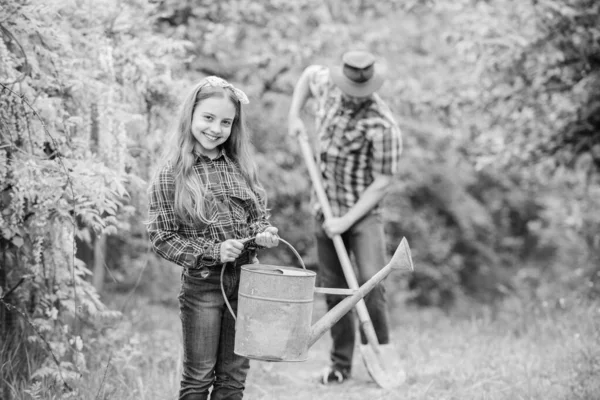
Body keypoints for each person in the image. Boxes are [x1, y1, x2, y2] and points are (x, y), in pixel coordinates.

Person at [147, 76, 279, 400]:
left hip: (246, 284)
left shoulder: (239, 166)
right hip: (203, 285)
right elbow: (162, 236)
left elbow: (256, 217)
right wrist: (212, 251)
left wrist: (263, 233)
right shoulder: (172, 173)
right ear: (191, 115)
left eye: (226, 122)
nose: (216, 128)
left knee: (233, 380)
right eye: (208, 118)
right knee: (198, 378)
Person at [287, 50, 402, 384]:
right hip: (325, 209)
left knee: (371, 281)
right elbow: (308, 75)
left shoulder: (382, 124)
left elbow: (382, 183)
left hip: (363, 213)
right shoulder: (327, 86)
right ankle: (340, 365)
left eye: (360, 94)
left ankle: (382, 353)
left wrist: (347, 219)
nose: (353, 98)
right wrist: (294, 116)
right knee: (334, 287)